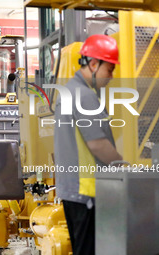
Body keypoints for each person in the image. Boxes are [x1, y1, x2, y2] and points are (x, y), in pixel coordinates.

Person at [54, 34, 123, 255]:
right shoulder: (84, 96)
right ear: (94, 64)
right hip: (87, 192)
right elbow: (97, 144)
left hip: (72, 190)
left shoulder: (68, 92)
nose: (110, 76)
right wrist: (124, 168)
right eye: (109, 70)